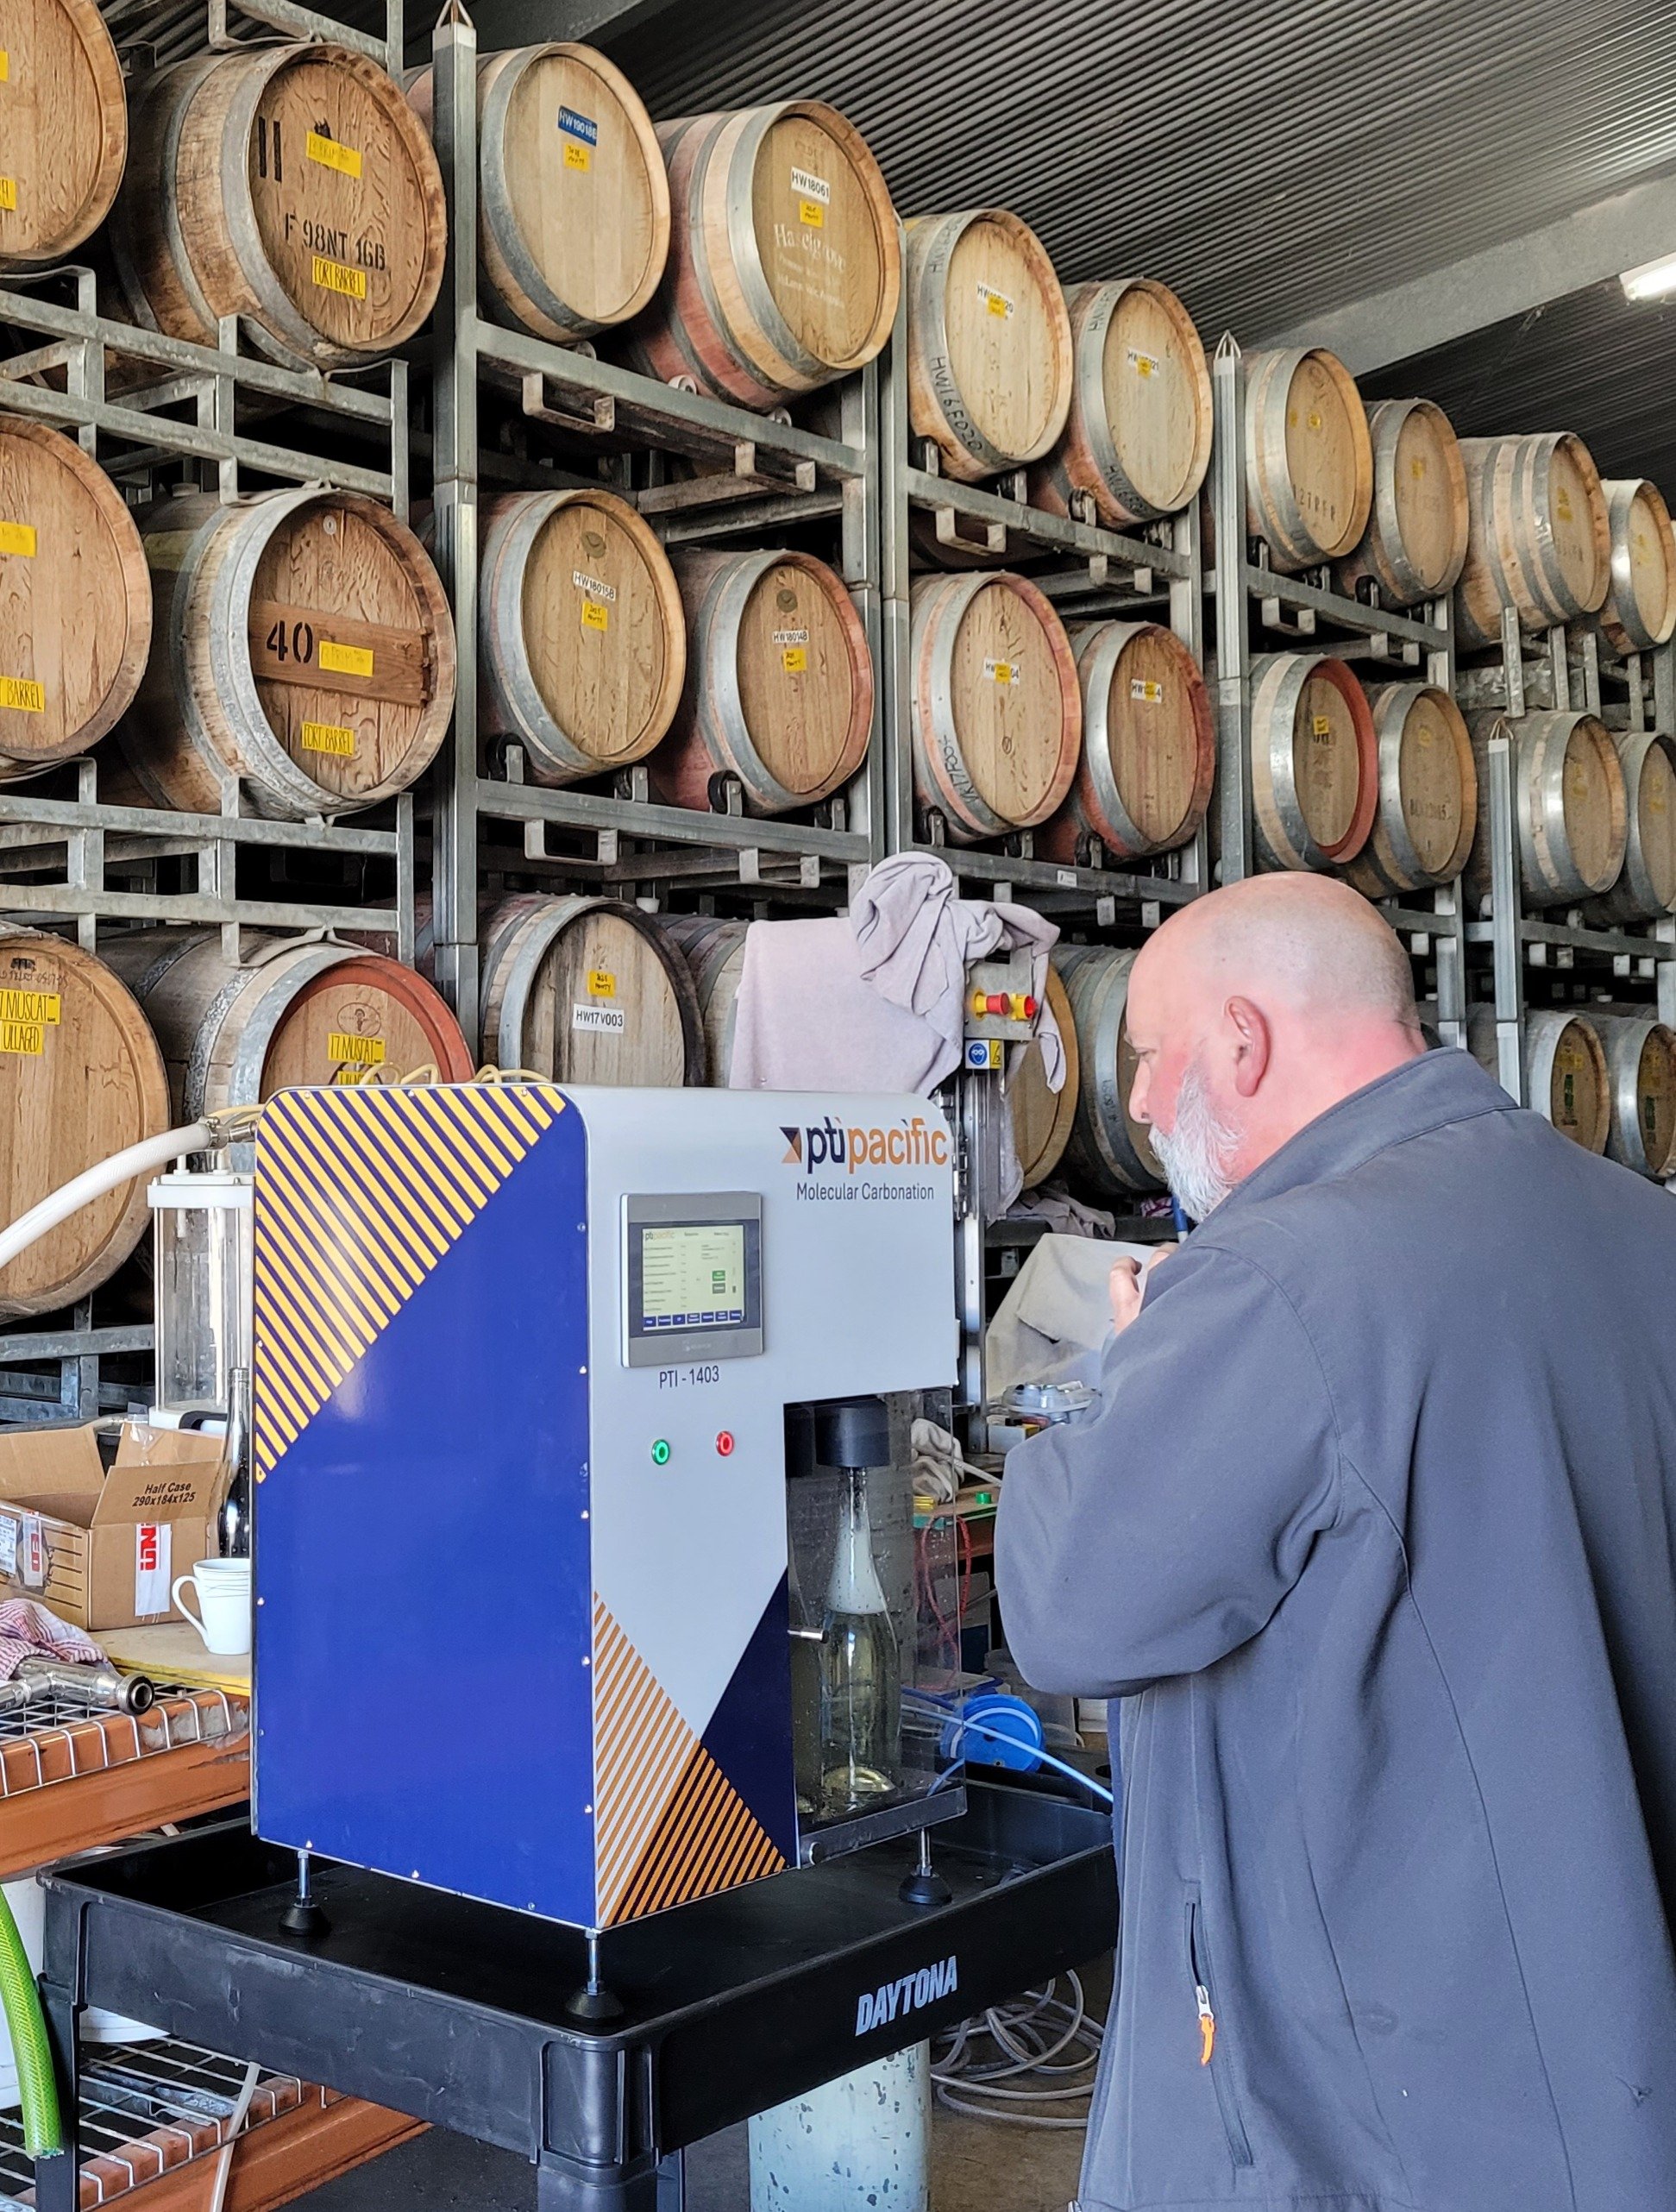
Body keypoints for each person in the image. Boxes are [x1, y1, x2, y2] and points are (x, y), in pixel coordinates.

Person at [994, 872, 1676, 2212]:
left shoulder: (1275, 1280)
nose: (1130, 1103)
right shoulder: (1638, 1227)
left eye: (1147, 1054)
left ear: (1241, 1043)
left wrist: (1120, 1385)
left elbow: (1070, 1604)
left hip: (1367, 2120)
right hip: (1607, 2067)